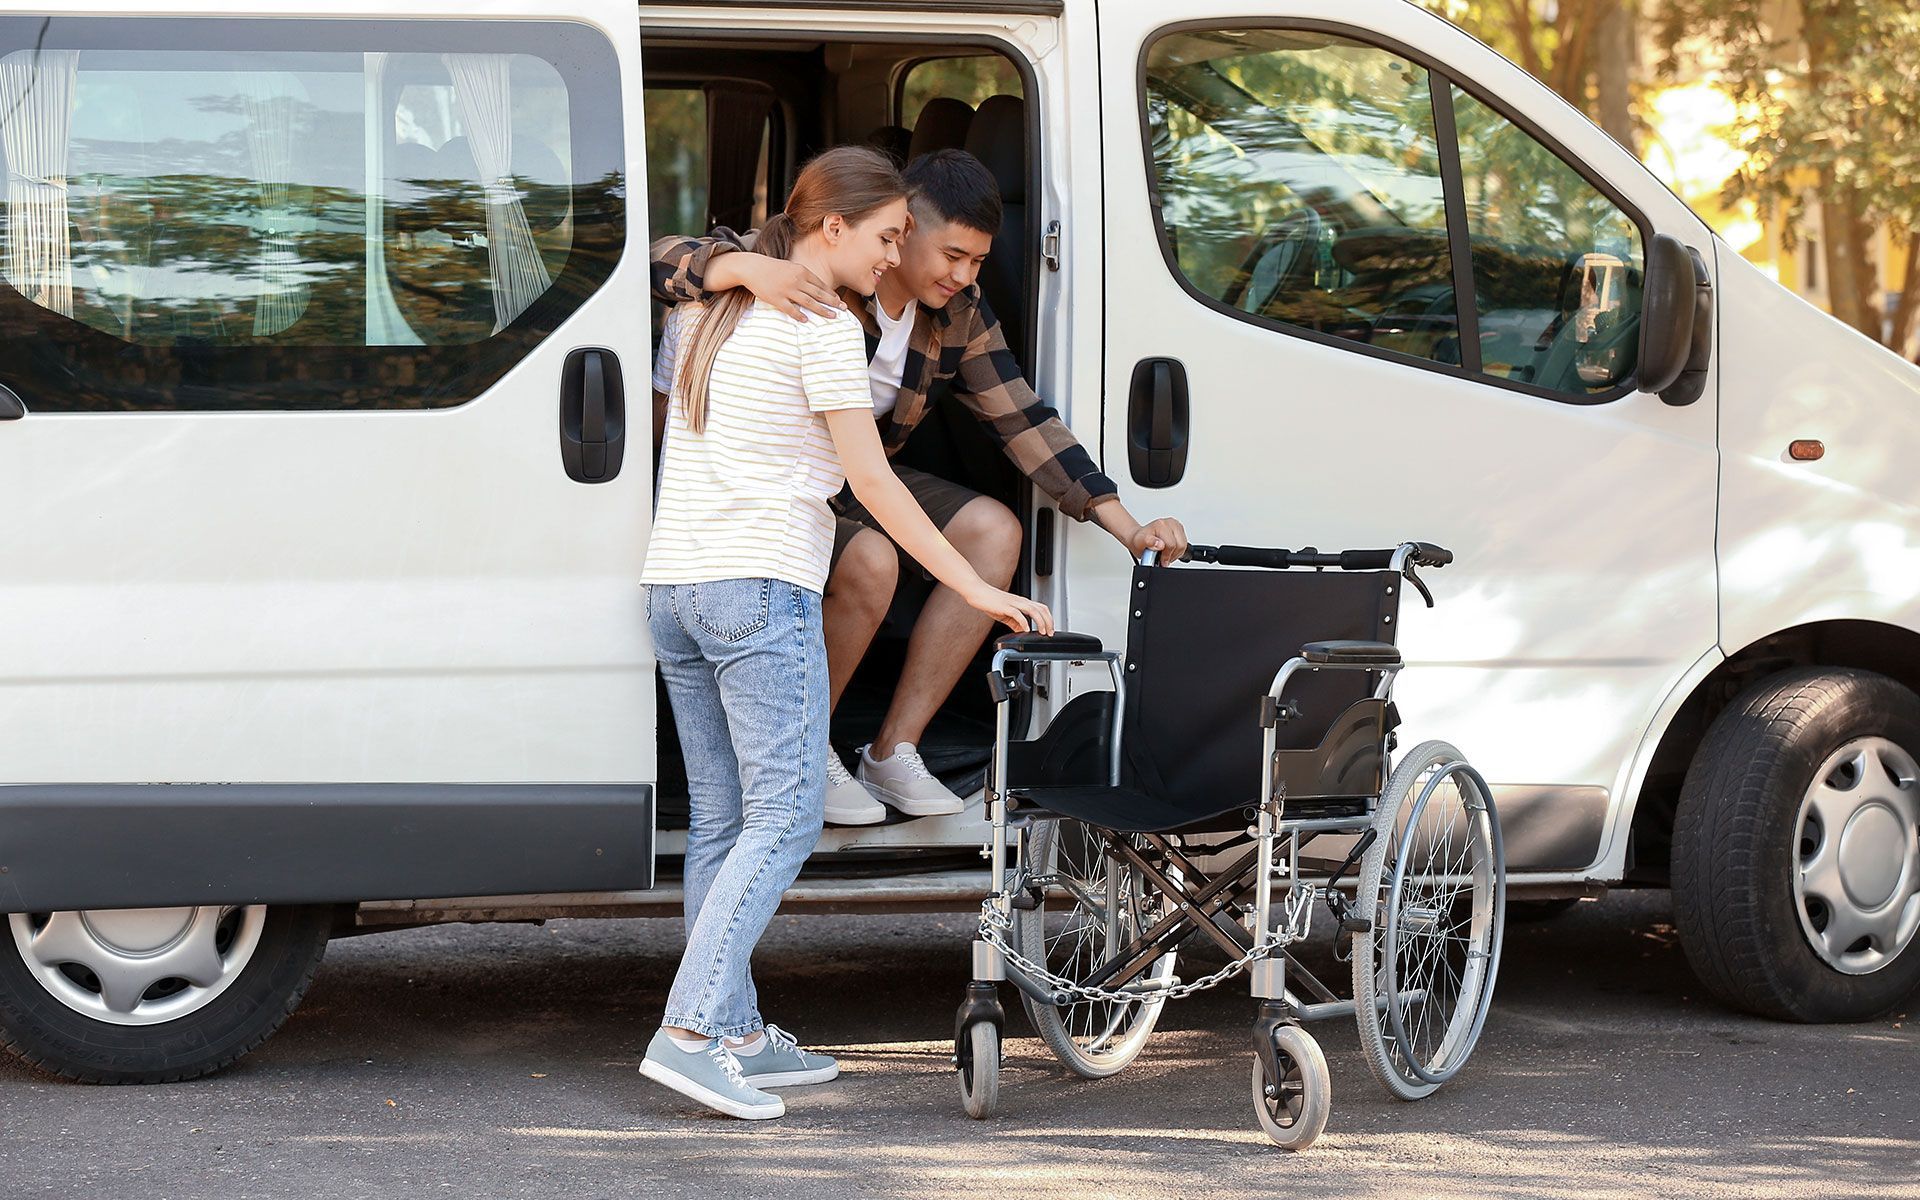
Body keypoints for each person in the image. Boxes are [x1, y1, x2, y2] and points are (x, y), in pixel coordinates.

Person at [638, 146, 1052, 1122]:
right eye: (886, 236)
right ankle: (689, 1032)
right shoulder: (824, 325)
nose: (893, 256)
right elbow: (873, 485)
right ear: (831, 228)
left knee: (724, 821)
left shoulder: (708, 306)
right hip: (758, 589)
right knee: (782, 819)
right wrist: (978, 591)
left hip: (676, 589)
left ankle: (733, 1027)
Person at [652, 149, 1188, 824]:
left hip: (862, 472)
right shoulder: (815, 267)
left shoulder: (957, 312)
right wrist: (742, 267)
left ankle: (892, 749)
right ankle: (807, 747)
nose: (965, 277)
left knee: (995, 530)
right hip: (786, 481)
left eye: (979, 263)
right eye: (953, 254)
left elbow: (1024, 420)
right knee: (871, 562)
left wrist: (1127, 526)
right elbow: (659, 259)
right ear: (900, 226)